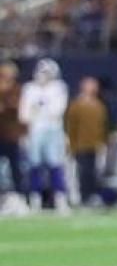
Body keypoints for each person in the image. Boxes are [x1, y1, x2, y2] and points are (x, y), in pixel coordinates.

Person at [20, 59, 71, 211]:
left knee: (55, 164)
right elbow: (24, 115)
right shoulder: (29, 88)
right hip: (35, 130)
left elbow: (57, 110)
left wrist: (39, 107)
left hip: (53, 130)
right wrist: (39, 108)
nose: (44, 76)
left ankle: (60, 199)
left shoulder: (59, 87)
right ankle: (35, 200)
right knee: (34, 165)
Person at [65, 76, 109, 207]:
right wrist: (71, 144)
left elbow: (103, 126)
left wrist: (103, 142)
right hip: (81, 144)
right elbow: (71, 126)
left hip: (95, 144)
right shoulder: (76, 105)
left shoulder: (100, 105)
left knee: (94, 172)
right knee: (84, 172)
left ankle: (92, 195)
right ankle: (84, 196)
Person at [0, 61, 22, 199]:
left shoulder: (17, 89)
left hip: (11, 134)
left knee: (15, 164)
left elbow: (18, 107)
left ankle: (18, 194)